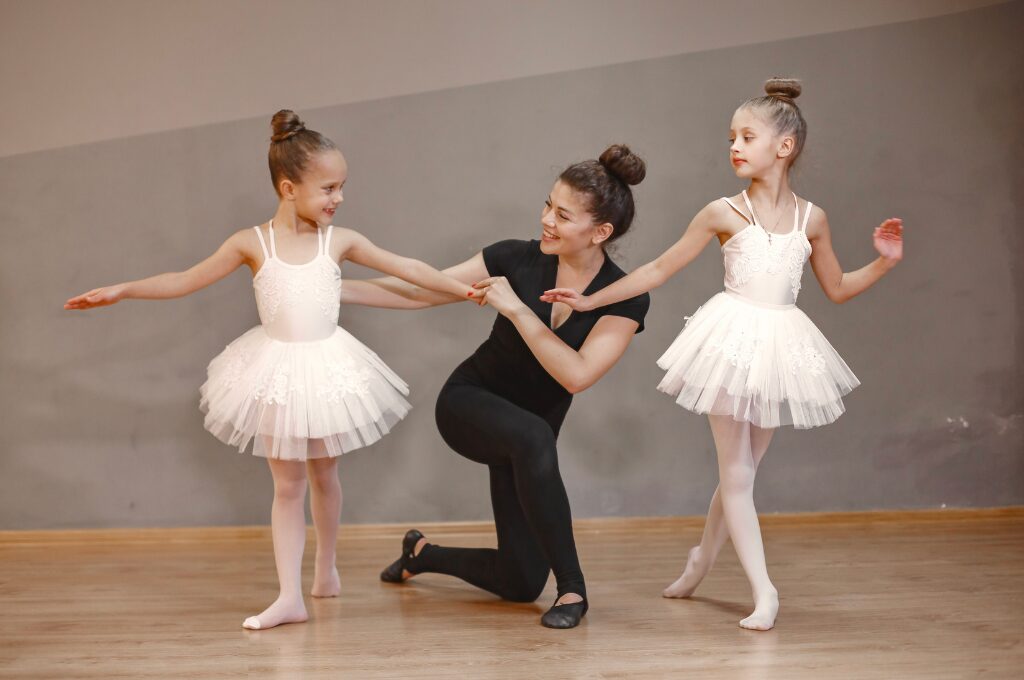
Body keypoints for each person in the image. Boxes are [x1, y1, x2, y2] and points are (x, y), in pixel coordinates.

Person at [64, 110, 481, 630]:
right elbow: (184, 279)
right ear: (289, 188)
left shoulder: (341, 240)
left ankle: (325, 567)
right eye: (329, 187)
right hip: (275, 373)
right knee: (288, 487)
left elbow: (409, 268)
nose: (339, 197)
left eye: (342, 186)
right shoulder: (250, 244)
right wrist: (122, 290)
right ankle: (289, 596)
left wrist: (461, 289)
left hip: (328, 368)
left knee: (325, 472)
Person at [542, 79, 904, 630]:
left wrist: (883, 262)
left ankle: (699, 562)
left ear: (784, 147)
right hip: (732, 344)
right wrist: (591, 298)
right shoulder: (721, 212)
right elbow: (657, 269)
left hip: (781, 346)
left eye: (747, 136)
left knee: (743, 473)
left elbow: (836, 287)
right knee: (736, 473)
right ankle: (766, 592)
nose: (733, 145)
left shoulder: (815, 220)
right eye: (731, 136)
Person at [342, 145, 651, 628]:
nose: (546, 218)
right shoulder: (513, 257)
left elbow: (576, 374)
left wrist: (517, 310)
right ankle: (573, 590)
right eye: (548, 204)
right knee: (533, 437)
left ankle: (420, 553)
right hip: (469, 404)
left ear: (601, 232)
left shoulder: (622, 297)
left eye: (563, 214)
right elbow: (422, 291)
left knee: (520, 582)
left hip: (529, 442)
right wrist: (332, 289)